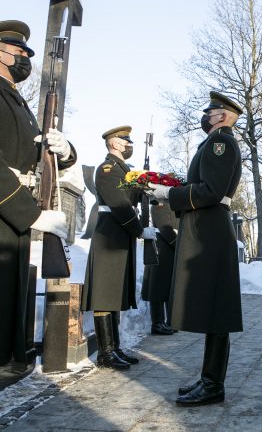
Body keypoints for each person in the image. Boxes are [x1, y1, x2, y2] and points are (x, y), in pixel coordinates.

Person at [148, 91, 243, 406]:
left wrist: (169, 195)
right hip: (208, 228)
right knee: (214, 310)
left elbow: (211, 191)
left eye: (210, 111)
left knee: (217, 311)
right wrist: (172, 188)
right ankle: (209, 379)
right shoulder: (216, 143)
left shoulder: (220, 143)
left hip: (211, 230)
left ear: (222, 116)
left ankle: (213, 384)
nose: (206, 116)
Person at [0, 20, 76, 371]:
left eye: (27, 53)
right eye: (19, 51)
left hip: (11, 220)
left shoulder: (16, 99)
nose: (25, 57)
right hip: (9, 209)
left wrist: (65, 149)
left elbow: (38, 156)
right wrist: (29, 213)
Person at [81, 126, 156, 370]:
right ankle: (106, 352)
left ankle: (114, 348)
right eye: (126, 141)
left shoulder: (124, 170)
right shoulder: (108, 170)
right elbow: (120, 205)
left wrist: (146, 183)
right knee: (105, 295)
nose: (129, 145)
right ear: (114, 144)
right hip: (109, 236)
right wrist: (138, 230)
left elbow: (132, 198)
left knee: (114, 294)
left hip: (119, 236)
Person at [141, 204, 177, 335]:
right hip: (161, 247)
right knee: (157, 287)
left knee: (169, 286)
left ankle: (172, 321)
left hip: (170, 248)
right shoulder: (159, 203)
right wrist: (178, 244)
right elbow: (164, 228)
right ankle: (157, 323)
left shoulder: (173, 201)